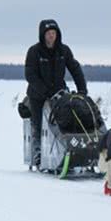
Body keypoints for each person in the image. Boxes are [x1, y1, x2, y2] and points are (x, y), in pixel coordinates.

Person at [24, 19, 88, 168]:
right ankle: (37, 151)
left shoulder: (63, 50)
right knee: (38, 122)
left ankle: (69, 149)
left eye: (54, 33)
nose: (51, 36)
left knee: (66, 120)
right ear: (43, 35)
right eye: (48, 33)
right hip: (38, 94)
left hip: (59, 92)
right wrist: (44, 91)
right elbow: (30, 74)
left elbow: (75, 69)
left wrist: (82, 90)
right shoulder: (34, 51)